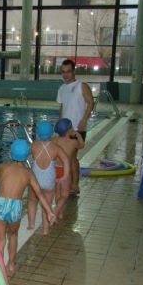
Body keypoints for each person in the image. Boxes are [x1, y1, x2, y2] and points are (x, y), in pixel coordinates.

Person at [0, 139, 56, 274]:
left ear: (11, 153)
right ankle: (11, 264)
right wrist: (49, 212)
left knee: (0, 238)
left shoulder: (4, 167)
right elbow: (39, 194)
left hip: (1, 203)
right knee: (13, 235)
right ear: (27, 156)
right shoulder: (28, 173)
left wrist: (0, 176)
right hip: (15, 207)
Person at [57, 59, 94, 196]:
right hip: (64, 130)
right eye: (63, 72)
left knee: (70, 157)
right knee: (69, 158)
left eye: (68, 72)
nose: (65, 75)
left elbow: (90, 103)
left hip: (77, 128)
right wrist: (59, 125)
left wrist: (84, 120)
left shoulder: (81, 86)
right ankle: (71, 185)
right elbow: (62, 107)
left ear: (73, 72)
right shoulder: (61, 88)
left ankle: (73, 186)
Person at [27, 121, 70, 235]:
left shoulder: (34, 145)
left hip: (35, 180)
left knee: (32, 200)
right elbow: (66, 160)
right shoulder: (55, 147)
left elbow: (24, 155)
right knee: (47, 205)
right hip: (49, 180)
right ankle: (45, 230)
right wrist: (65, 176)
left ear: (38, 133)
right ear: (51, 134)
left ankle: (31, 224)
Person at [52, 118, 85, 219]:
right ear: (69, 130)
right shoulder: (73, 142)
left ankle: (60, 212)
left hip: (54, 170)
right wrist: (78, 135)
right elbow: (82, 145)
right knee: (65, 194)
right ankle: (56, 213)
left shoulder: (53, 140)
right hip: (65, 171)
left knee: (57, 192)